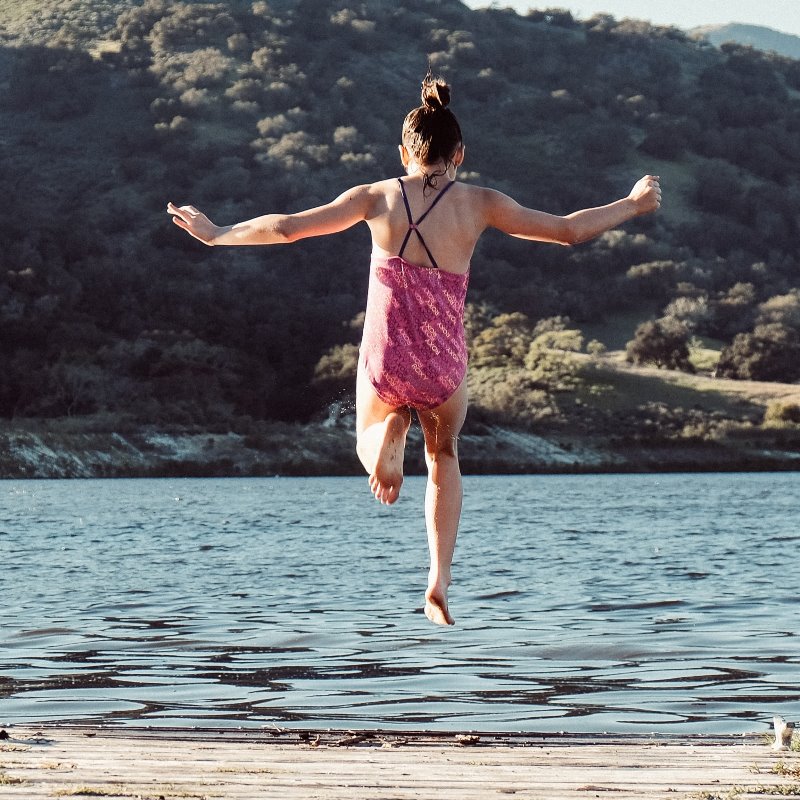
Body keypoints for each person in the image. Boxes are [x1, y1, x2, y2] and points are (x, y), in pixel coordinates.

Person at [168, 74, 661, 626]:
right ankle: (438, 580)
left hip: (387, 358)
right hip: (444, 365)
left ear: (403, 151)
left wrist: (217, 232)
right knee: (444, 455)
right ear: (460, 154)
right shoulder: (481, 203)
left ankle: (387, 430)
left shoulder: (376, 197)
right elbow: (569, 230)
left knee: (365, 441)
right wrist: (633, 204)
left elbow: (285, 229)